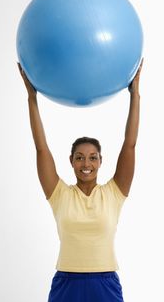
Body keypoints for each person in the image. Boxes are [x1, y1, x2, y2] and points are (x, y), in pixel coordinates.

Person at [18, 58, 143, 302]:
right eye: (80, 158)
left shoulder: (114, 193)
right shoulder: (59, 194)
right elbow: (41, 148)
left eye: (92, 158)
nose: (86, 164)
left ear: (100, 161)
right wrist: (32, 98)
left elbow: (130, 144)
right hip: (67, 283)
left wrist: (135, 95)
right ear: (71, 161)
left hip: (105, 283)